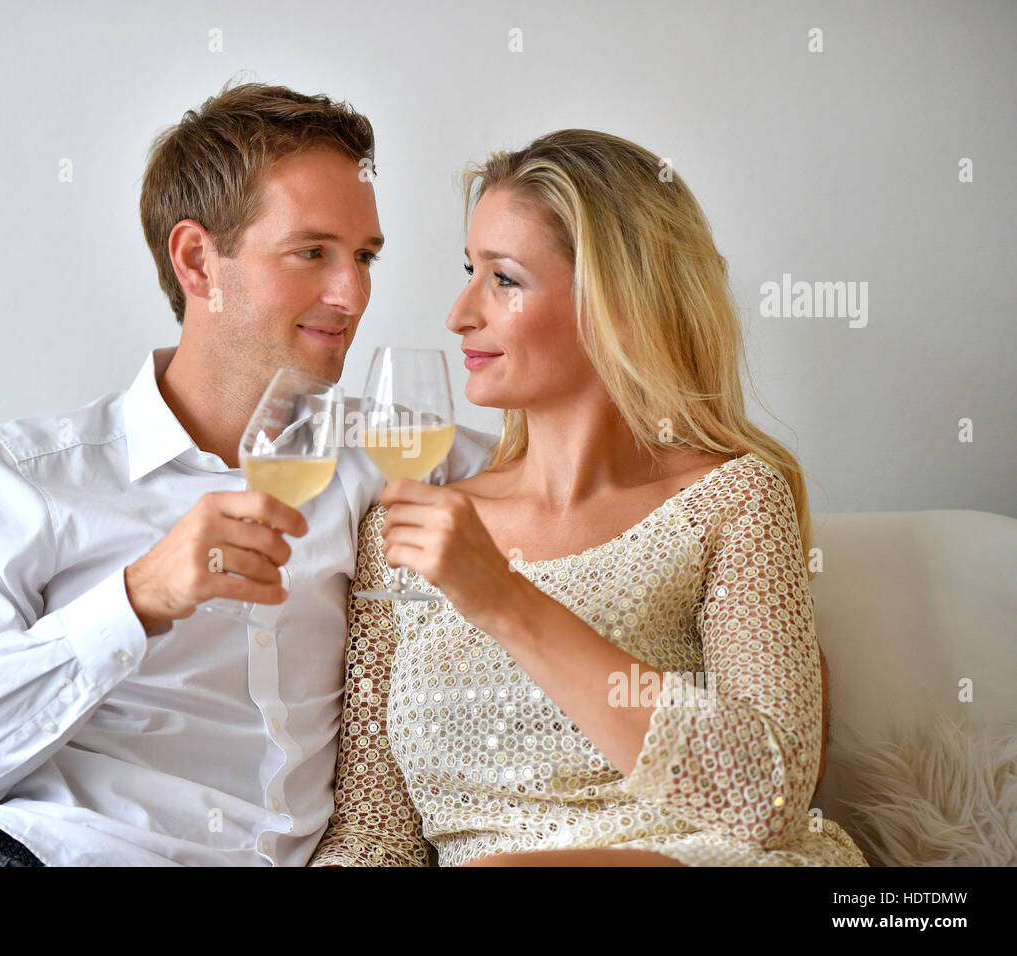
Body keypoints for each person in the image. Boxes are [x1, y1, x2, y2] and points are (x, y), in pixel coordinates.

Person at [0, 80, 496, 867]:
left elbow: (590, 475)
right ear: (198, 261)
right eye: (312, 252)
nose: (353, 295)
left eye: (365, 257)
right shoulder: (18, 478)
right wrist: (138, 598)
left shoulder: (393, 453)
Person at [309, 129, 868, 867]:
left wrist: (504, 599)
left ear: (615, 303)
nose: (459, 313)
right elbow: (372, 834)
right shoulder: (409, 531)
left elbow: (766, 796)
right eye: (469, 270)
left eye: (503, 279)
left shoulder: (732, 501)